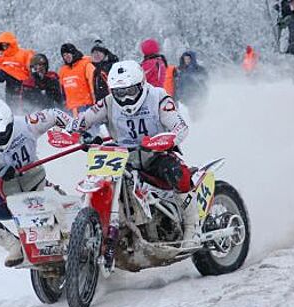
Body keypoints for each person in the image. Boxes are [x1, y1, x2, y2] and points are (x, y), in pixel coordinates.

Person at [64, 60, 198, 259]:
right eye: (120, 92)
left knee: (179, 174)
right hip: (122, 156)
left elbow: (180, 127)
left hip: (155, 154)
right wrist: (70, 131)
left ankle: (192, 227)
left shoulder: (159, 97)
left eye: (130, 91)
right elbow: (83, 121)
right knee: (98, 180)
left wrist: (167, 139)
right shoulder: (108, 102)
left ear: (141, 85)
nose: (125, 98)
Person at [0, 99, 70, 267]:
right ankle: (14, 246)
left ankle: (78, 245)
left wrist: (77, 130)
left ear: (10, 123)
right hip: (7, 199)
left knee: (70, 211)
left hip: (38, 188)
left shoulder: (26, 124)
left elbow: (55, 114)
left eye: (2, 132)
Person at [0, 32, 35, 112]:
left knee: (29, 110)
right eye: (2, 45)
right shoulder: (1, 58)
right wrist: (0, 74)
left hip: (25, 87)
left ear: (12, 43)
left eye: (6, 44)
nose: (4, 47)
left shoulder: (24, 53)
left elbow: (32, 67)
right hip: (10, 90)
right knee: (13, 112)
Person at [58, 43, 95, 116]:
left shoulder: (86, 65)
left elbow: (93, 83)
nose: (66, 57)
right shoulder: (62, 70)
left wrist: (95, 101)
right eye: (64, 55)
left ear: (73, 53)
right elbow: (62, 89)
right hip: (71, 109)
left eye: (68, 54)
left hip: (87, 105)